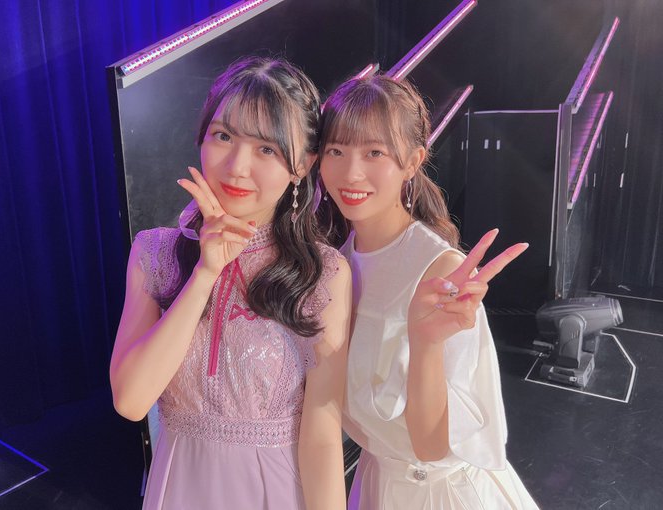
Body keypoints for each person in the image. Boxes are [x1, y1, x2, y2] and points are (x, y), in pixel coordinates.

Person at [109, 56, 351, 510]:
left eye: (267, 149)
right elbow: (131, 400)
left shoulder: (324, 274)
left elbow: (322, 437)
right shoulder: (155, 253)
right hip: (179, 490)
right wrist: (204, 275)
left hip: (276, 493)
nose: (237, 166)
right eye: (223, 136)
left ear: (303, 164)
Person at [318, 74, 539, 509]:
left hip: (441, 494)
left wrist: (426, 344)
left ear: (413, 161)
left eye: (375, 152)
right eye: (335, 151)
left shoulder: (440, 271)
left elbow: (432, 445)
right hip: (377, 483)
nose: (351, 172)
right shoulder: (336, 263)